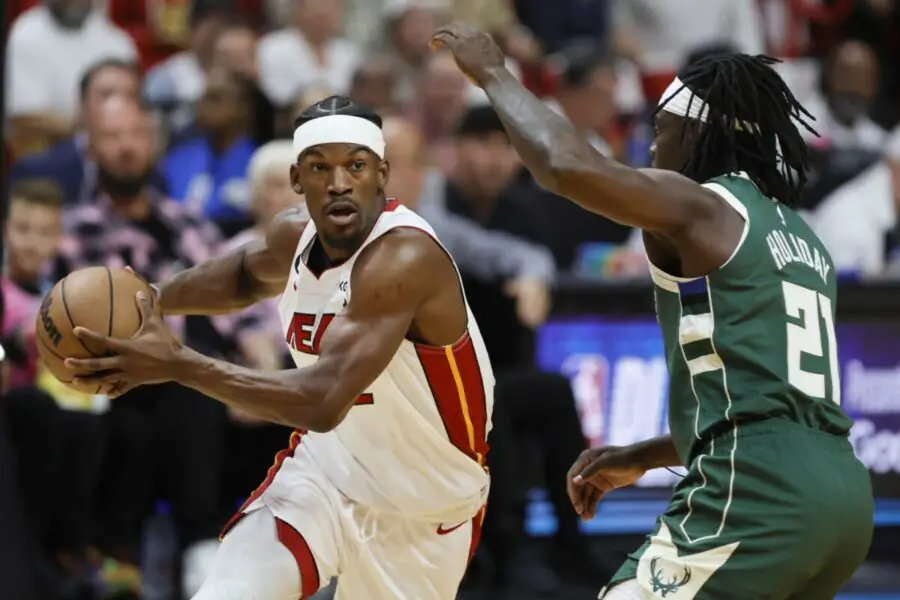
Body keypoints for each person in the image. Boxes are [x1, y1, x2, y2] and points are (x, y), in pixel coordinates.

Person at [433, 23, 874, 600]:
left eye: (660, 132)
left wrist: (492, 73)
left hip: (761, 489)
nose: (652, 149)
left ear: (696, 136)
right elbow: (775, 398)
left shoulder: (702, 206)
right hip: (842, 495)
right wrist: (646, 454)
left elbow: (566, 167)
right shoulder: (802, 237)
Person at [64, 95, 494, 600]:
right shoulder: (295, 234)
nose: (338, 183)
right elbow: (245, 274)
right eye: (319, 168)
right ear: (297, 179)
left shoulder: (403, 258)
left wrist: (178, 364)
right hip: (326, 475)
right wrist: (153, 301)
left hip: (422, 508)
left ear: (382, 174)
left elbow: (321, 400)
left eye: (356, 166)